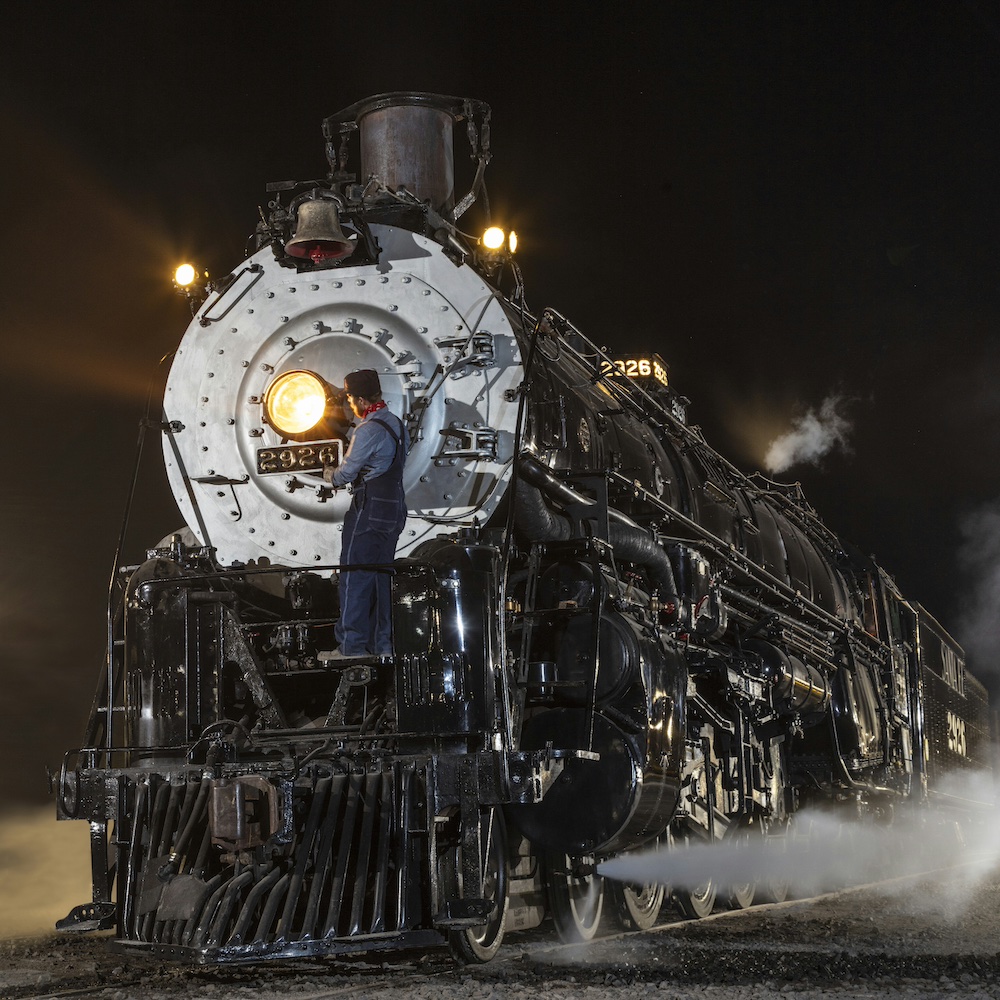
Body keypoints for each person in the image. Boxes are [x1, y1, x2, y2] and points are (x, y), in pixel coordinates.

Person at [323, 369, 408, 658]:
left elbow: (346, 474)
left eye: (349, 398)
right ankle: (383, 644)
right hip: (394, 505)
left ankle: (351, 646)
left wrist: (328, 474)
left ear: (360, 398)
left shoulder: (367, 429)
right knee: (382, 576)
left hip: (369, 506)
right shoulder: (396, 424)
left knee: (354, 574)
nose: (348, 404)